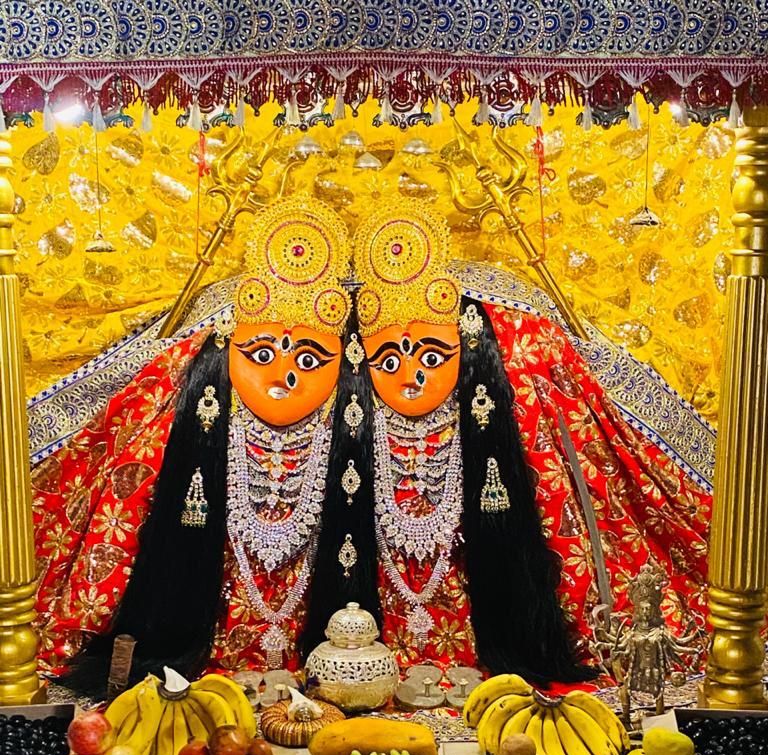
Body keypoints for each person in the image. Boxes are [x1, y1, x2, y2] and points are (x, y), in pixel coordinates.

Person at [31, 198, 710, 693]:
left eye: (431, 355)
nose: (286, 377)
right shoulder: (191, 389)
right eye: (263, 352)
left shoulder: (513, 377)